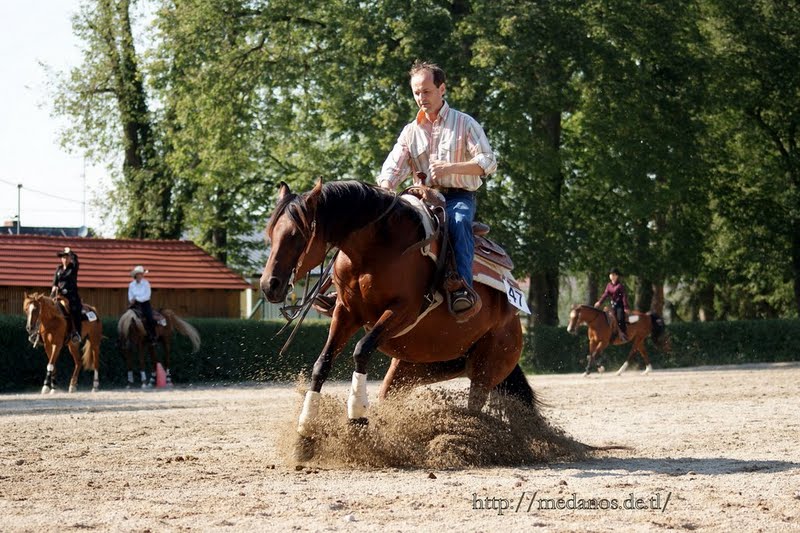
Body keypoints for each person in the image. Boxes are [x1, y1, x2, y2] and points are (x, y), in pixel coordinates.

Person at [377, 60, 497, 318]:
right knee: (381, 222)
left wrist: (451, 168)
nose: (421, 97)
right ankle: (355, 288)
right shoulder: (410, 131)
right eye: (416, 93)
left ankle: (462, 289)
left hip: (457, 196)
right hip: (419, 197)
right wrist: (385, 188)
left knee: (458, 221)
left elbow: (488, 162)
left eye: (427, 91)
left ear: (442, 89)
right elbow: (392, 168)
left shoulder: (465, 123)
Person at [51, 247, 83, 344]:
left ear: (70, 258)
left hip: (71, 296)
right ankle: (39, 332)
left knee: (75, 311)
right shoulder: (58, 269)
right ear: (61, 259)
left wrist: (70, 252)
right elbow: (54, 282)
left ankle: (76, 333)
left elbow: (76, 261)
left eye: (67, 257)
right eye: (63, 258)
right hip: (58, 295)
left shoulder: (73, 267)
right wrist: (54, 287)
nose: (65, 259)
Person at [594, 267, 630, 342]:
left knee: (620, 318)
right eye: (611, 274)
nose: (612, 276)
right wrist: (599, 302)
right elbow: (605, 294)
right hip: (612, 305)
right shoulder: (609, 285)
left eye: (613, 274)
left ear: (617, 276)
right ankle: (610, 333)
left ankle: (623, 334)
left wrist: (625, 307)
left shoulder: (620, 286)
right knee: (607, 317)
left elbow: (624, 297)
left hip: (620, 305)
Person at [128, 265, 157, 343]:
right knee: (125, 317)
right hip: (134, 305)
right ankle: (123, 337)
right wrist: (131, 300)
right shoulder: (131, 285)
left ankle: (152, 336)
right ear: (135, 275)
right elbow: (130, 296)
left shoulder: (146, 283)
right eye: (139, 274)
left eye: (141, 274)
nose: (140, 275)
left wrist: (136, 298)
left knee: (149, 317)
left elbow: (147, 296)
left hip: (145, 303)